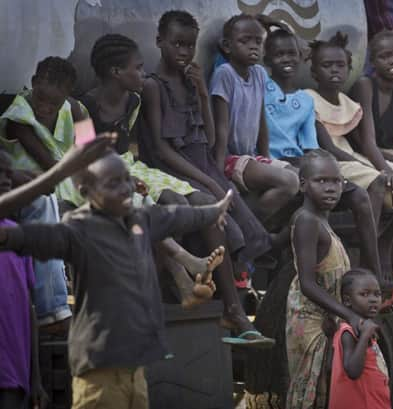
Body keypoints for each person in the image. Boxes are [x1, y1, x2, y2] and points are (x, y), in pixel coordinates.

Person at [0, 150, 232, 409]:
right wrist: (53, 176)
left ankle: (186, 286)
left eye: (126, 180)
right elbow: (28, 237)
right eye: (112, 184)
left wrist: (215, 210)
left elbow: (181, 216)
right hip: (100, 373)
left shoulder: (139, 220)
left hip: (136, 369)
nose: (124, 189)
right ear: (85, 192)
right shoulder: (78, 229)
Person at [140, 10, 274, 345]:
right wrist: (211, 182)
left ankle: (236, 292)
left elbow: (213, 140)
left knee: (240, 220)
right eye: (177, 44)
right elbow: (159, 150)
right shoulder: (153, 87)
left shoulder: (191, 82)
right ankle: (232, 307)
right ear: (159, 42)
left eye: (190, 45)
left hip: (204, 165)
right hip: (177, 168)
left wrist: (201, 93)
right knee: (213, 208)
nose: (184, 52)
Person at [80, 33, 232, 310]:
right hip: (95, 172)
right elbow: (84, 155)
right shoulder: (84, 107)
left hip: (127, 164)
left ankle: (184, 283)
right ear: (116, 72)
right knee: (158, 205)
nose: (143, 73)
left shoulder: (133, 102)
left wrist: (133, 172)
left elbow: (131, 149)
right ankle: (175, 278)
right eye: (137, 68)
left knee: (183, 199)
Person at [308, 32, 393, 278]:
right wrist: (386, 168)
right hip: (361, 156)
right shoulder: (363, 87)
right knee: (383, 180)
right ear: (372, 62)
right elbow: (364, 144)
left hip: (372, 156)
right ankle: (372, 259)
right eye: (385, 56)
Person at [262, 27, 384, 278]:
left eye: (293, 54)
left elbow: (310, 148)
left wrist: (328, 172)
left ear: (301, 58)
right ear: (267, 61)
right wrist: (268, 24)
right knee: (313, 192)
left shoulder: (306, 102)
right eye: (279, 54)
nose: (287, 60)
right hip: (272, 162)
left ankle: (372, 271)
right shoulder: (261, 87)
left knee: (358, 195)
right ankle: (306, 257)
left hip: (300, 162)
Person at [0, 56, 80, 329]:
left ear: (66, 97)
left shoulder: (75, 110)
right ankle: (55, 310)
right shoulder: (18, 117)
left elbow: (92, 147)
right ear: (33, 84)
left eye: (53, 103)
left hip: (59, 180)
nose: (44, 107)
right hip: (35, 183)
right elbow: (50, 167)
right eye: (41, 98)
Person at [210, 14, 299, 222]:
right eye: (245, 41)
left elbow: (261, 120)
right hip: (230, 158)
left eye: (258, 41)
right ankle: (249, 226)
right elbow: (221, 128)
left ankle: (260, 229)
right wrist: (218, 173)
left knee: (302, 180)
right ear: (227, 45)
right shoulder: (225, 74)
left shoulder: (259, 73)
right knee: (289, 182)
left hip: (251, 157)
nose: (253, 47)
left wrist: (267, 158)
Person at [286, 149, 357, 409]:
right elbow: (307, 283)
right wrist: (349, 315)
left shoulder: (320, 221)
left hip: (327, 317)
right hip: (311, 321)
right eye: (321, 181)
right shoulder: (307, 222)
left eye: (336, 181)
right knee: (312, 393)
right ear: (303, 185)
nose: (331, 188)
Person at [0, 152, 46, 409]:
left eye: (8, 173)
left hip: (15, 369)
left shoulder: (18, 238)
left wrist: (36, 378)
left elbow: (30, 310)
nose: (5, 179)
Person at [328, 268, 391, 409]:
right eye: (364, 294)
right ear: (347, 301)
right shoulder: (348, 333)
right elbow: (352, 371)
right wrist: (364, 337)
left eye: (377, 294)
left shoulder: (364, 326)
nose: (373, 299)